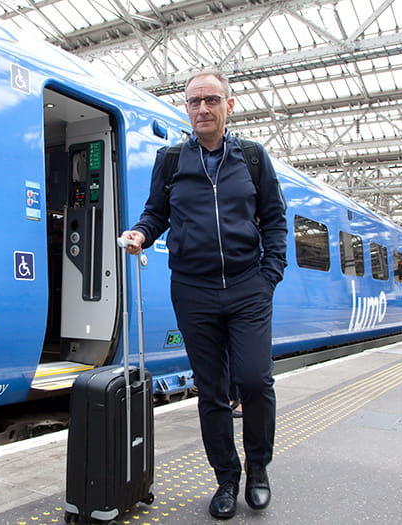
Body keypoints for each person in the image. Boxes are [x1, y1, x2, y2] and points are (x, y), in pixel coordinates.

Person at [120, 71, 287, 519]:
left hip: (249, 287)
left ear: (229, 106)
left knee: (254, 380)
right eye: (193, 102)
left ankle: (259, 469)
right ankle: (226, 480)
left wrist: (269, 274)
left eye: (211, 100)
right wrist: (140, 233)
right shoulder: (171, 160)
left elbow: (273, 219)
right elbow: (156, 213)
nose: (202, 110)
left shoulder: (252, 158)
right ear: (187, 108)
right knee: (211, 391)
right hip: (193, 290)